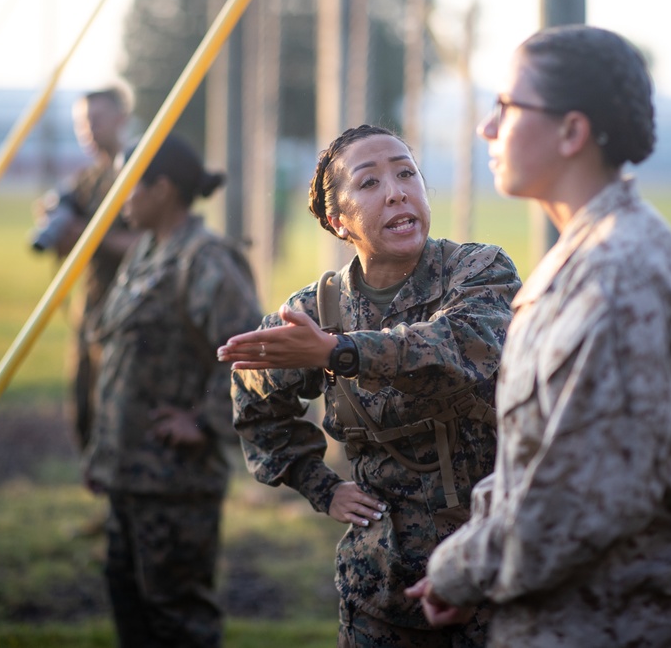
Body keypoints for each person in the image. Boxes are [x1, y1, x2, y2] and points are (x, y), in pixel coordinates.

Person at [406, 26, 671, 647]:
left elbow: (580, 501)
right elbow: (532, 460)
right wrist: (471, 559)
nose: (487, 128)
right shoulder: (585, 256)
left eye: (506, 107)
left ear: (571, 131)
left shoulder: (618, 275)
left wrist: (459, 570)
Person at [218, 124, 521, 647]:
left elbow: (462, 345)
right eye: (370, 182)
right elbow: (252, 395)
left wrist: (339, 352)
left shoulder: (479, 269)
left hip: (492, 571)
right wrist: (320, 485)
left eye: (407, 173)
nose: (397, 191)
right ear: (339, 221)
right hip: (382, 586)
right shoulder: (317, 311)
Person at [83, 134, 262, 647]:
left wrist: (203, 421)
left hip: (175, 481)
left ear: (162, 189)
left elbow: (250, 352)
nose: (119, 195)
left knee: (177, 622)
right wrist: (103, 456)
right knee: (131, 611)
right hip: (129, 475)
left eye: (127, 182)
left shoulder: (204, 260)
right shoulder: (144, 252)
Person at [31, 86, 140, 453]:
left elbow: (151, 244)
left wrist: (90, 235)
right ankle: (106, 499)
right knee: (86, 409)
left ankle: (122, 503)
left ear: (120, 119)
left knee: (123, 412)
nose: (88, 130)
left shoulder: (139, 173)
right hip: (92, 309)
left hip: (130, 315)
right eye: (82, 123)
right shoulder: (87, 180)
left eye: (96, 119)